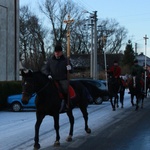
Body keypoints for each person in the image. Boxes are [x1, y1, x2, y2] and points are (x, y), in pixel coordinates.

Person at [41, 43, 73, 112]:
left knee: (65, 89)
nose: (57, 53)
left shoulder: (66, 60)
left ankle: (67, 103)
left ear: (61, 52)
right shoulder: (50, 61)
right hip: (52, 79)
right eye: (55, 52)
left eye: (58, 52)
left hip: (62, 79)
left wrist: (69, 68)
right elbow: (44, 69)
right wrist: (48, 74)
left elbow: (72, 70)